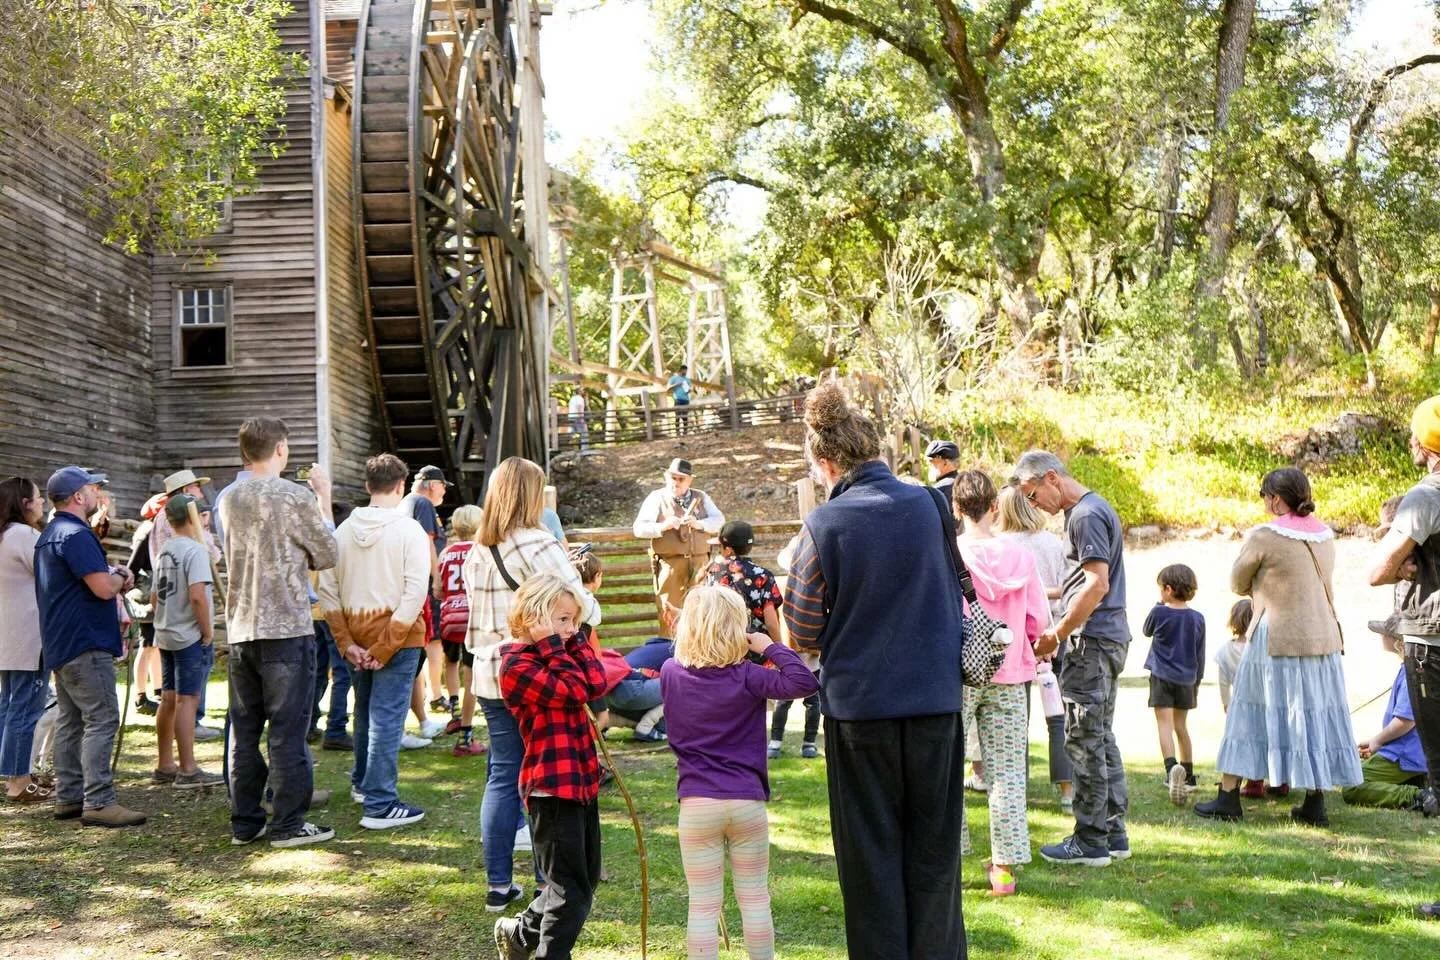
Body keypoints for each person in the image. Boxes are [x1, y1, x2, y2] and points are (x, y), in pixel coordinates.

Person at [783, 381, 968, 959]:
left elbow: (803, 629)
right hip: (935, 702)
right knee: (935, 855)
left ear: (827, 461)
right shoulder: (934, 505)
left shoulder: (824, 525)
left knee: (870, 858)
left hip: (861, 710)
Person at [464, 456, 602, 912]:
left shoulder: (477, 550)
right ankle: (551, 882)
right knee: (549, 776)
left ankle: (498, 884)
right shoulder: (539, 545)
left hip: (489, 671)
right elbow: (583, 609)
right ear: (530, 495)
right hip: (539, 672)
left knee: (503, 774)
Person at [1195, 467, 1361, 826]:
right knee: (1313, 714)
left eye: (1265, 495)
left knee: (1250, 710)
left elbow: (1237, 581)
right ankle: (1314, 802)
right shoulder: (1325, 536)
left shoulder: (1264, 536)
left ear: (1276, 499)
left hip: (1277, 635)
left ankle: (1228, 797)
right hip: (1322, 636)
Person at [661, 586, 820, 960]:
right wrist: (769, 646)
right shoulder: (749, 676)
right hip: (746, 802)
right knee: (754, 898)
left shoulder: (671, 672)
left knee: (702, 904)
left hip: (697, 803)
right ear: (737, 628)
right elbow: (805, 681)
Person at [217, 417, 338, 847]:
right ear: (281, 449)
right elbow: (327, 553)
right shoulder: (294, 496)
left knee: (244, 729)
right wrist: (322, 500)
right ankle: (287, 823)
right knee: (288, 729)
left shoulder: (227, 498)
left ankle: (245, 821)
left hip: (242, 625)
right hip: (286, 623)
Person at [1013, 449, 1131, 867]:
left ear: (1051, 479)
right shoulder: (1092, 509)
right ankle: (1114, 834)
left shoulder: (1083, 515)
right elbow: (1080, 582)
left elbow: (1097, 585)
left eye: (1031, 494)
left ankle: (1090, 840)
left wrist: (1058, 633)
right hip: (1107, 638)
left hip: (1092, 642)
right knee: (1100, 735)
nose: (1033, 505)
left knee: (1082, 738)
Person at [493, 574, 608, 960]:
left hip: (581, 782)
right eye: (563, 619)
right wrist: (554, 645)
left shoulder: (559, 652)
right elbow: (574, 691)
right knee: (568, 890)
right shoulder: (517, 664)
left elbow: (595, 682)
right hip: (552, 787)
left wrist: (568, 639)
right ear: (533, 617)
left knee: (583, 878)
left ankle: (521, 935)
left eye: (574, 620)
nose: (572, 629)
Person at [318, 453, 433, 830]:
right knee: (386, 717)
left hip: (356, 632)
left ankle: (365, 785)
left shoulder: (342, 532)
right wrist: (387, 644)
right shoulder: (409, 530)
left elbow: (328, 592)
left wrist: (347, 643)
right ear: (401, 487)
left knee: (365, 710)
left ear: (368, 486)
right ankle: (381, 802)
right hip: (397, 635)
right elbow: (417, 591)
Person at [951, 470, 1049, 897]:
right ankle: (1004, 870)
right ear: (995, 507)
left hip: (958, 672)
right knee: (1007, 773)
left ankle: (948, 861)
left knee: (947, 769)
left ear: (956, 509)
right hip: (1009, 670)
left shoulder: (950, 555)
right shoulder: (1020, 557)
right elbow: (1037, 620)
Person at [35, 466, 144, 827]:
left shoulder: (51, 533)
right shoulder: (76, 534)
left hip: (62, 642)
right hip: (85, 642)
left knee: (71, 720)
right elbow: (102, 588)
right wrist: (121, 576)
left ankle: (69, 797)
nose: (98, 494)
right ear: (79, 497)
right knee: (101, 717)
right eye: (93, 489)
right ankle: (98, 801)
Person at [994, 483, 1073, 812]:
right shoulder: (1051, 543)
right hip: (1054, 633)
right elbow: (1069, 586)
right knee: (1058, 717)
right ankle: (1068, 792)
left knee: (1016, 720)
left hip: (1015, 641)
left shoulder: (1001, 546)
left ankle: (1016, 792)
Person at [150, 493, 224, 789]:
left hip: (166, 632)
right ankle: (188, 769)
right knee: (188, 699)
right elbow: (197, 597)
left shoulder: (165, 550)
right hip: (188, 636)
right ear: (196, 518)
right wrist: (206, 631)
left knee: (168, 697)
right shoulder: (195, 552)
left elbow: (155, 598)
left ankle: (165, 764)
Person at [1342, 617, 1429, 810]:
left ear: (1399, 641)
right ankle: (1418, 782)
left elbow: (1406, 722)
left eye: (1384, 633)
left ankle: (1419, 797)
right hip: (1409, 750)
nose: (1381, 636)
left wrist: (1378, 741)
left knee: (1353, 785)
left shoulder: (1410, 672)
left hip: (1406, 753)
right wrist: (1376, 740)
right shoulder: (1414, 667)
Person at [0, 476, 51, 804]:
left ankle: (9, 776)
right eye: (37, 497)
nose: (43, 502)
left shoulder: (4, 535)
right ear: (24, 503)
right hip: (28, 636)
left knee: (8, 706)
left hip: (7, 635)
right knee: (25, 707)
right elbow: (51, 574)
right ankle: (18, 780)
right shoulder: (24, 536)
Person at [633, 459, 725, 639]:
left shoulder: (702, 497)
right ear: (666, 477)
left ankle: (701, 655)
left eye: (681, 479)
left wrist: (700, 524)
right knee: (669, 611)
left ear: (690, 480)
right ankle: (669, 659)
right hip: (671, 564)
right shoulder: (656, 498)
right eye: (673, 477)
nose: (676, 482)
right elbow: (639, 529)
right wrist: (663, 526)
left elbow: (719, 520)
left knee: (701, 611)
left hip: (700, 563)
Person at [1143, 564, 1205, 806]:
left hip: (1162, 676)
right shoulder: (1197, 618)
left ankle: (1171, 770)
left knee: (1164, 725)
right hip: (1187, 679)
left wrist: (1158, 605)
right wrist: (1197, 681)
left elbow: (1146, 630)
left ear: (1168, 589)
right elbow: (1200, 652)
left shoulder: (1159, 613)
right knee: (1181, 726)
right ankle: (1188, 775)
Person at [402, 465, 453, 730]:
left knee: (425, 644)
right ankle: (434, 696)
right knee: (431, 642)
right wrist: (437, 579)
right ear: (433, 484)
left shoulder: (408, 502)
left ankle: (430, 697)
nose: (444, 491)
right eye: (443, 485)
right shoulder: (421, 503)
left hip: (413, 584)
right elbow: (427, 541)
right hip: (423, 585)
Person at [439, 504, 486, 756]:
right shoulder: (481, 552)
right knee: (471, 676)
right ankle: (466, 737)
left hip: (450, 619)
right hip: (472, 619)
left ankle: (454, 710)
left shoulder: (446, 553)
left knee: (450, 662)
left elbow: (438, 589)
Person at [311, 500, 355, 752]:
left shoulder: (314, 541)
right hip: (331, 614)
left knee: (317, 672)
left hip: (313, 614)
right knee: (342, 673)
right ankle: (336, 728)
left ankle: (308, 724)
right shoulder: (337, 545)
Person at [1215, 599, 1269, 800]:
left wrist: (1226, 703)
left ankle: (1245, 782)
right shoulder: (1261, 648)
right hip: (1265, 702)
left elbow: (1223, 681)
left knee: (1244, 743)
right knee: (1268, 740)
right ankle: (1278, 782)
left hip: (1240, 705)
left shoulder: (1225, 651)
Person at [703, 520, 783, 644]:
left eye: (720, 548)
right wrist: (781, 651)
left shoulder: (712, 572)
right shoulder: (763, 575)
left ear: (728, 550)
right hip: (757, 649)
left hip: (722, 647)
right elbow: (771, 622)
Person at [668, 364, 694, 435]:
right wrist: (677, 384)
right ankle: (677, 432)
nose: (685, 372)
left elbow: (691, 388)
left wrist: (689, 390)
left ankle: (685, 432)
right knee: (678, 416)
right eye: (685, 371)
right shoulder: (674, 378)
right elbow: (668, 388)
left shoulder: (687, 379)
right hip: (678, 399)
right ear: (681, 370)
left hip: (686, 400)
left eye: (686, 371)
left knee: (685, 417)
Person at [568, 388, 590, 453]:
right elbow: (580, 409)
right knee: (584, 434)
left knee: (572, 434)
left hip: (571, 417)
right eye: (582, 391)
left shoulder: (572, 398)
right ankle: (584, 451)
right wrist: (582, 419)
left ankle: (572, 449)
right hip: (577, 417)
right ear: (580, 392)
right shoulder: (580, 399)